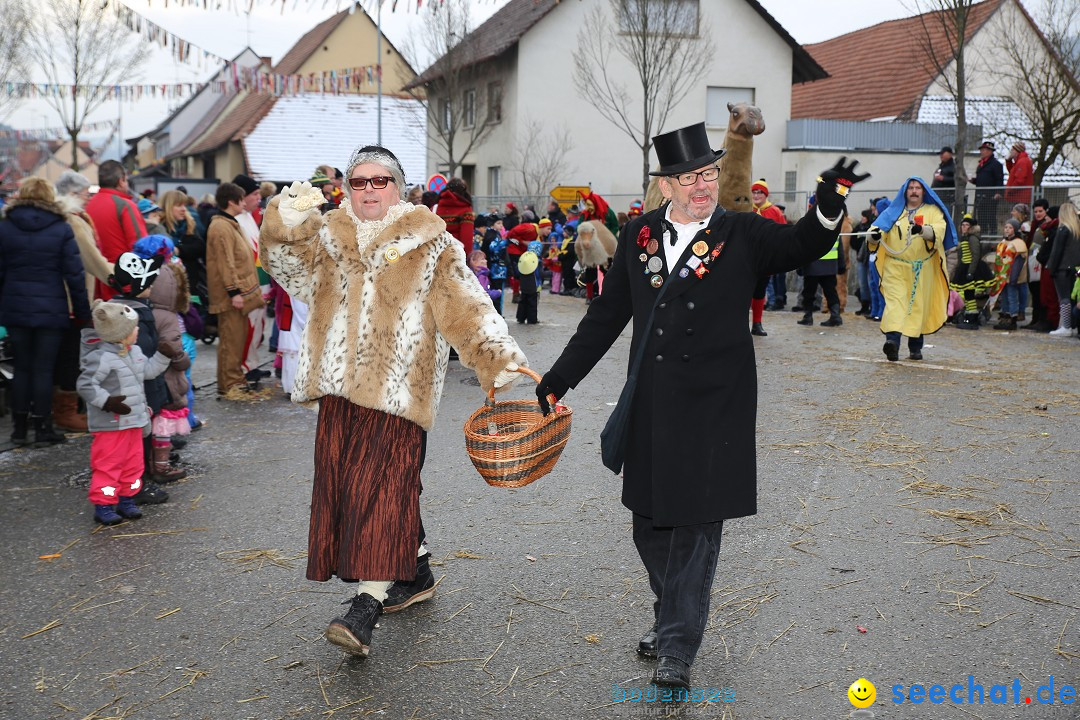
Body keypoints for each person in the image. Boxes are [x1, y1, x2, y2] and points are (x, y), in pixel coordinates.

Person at [535, 122, 868, 690]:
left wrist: (828, 202)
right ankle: (673, 618)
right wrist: (558, 379)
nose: (702, 185)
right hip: (653, 405)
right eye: (690, 177)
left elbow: (802, 245)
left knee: (695, 526)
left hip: (717, 406)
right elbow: (605, 318)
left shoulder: (743, 232)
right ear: (665, 186)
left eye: (709, 174)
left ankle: (677, 645)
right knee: (648, 524)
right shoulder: (638, 236)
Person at [260, 144, 527, 660]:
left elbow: (465, 304)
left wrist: (496, 357)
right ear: (347, 189)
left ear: (399, 187)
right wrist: (288, 224)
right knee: (357, 487)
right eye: (358, 182)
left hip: (399, 391)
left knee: (380, 489)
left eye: (379, 181)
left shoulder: (431, 242)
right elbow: (287, 272)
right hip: (340, 389)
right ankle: (417, 570)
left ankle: (367, 604)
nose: (368, 191)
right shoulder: (328, 236)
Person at [0, 177, 92, 447]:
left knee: (22, 368)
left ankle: (18, 430)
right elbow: (74, 275)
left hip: (15, 308)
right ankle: (42, 428)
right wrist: (83, 311)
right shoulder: (61, 228)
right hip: (51, 308)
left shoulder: (5, 228)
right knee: (43, 369)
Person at [77, 300, 172, 525]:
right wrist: (107, 402)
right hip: (111, 424)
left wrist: (163, 356)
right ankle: (104, 504)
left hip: (135, 421)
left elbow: (148, 372)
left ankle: (126, 499)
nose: (137, 330)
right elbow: (86, 385)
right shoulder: (101, 357)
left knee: (134, 464)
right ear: (120, 333)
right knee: (108, 464)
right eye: (133, 328)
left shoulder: (134, 351)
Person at [868, 178, 955, 361]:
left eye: (918, 188)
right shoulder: (893, 212)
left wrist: (922, 230)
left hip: (921, 269)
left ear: (924, 191)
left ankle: (915, 347)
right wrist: (873, 236)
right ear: (905, 191)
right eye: (911, 188)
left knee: (917, 307)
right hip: (895, 267)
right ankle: (892, 342)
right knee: (895, 304)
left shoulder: (933, 211)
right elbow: (875, 231)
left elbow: (938, 232)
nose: (914, 191)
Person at [54, 170, 113, 432]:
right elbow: (92, 259)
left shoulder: (69, 217)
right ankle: (66, 412)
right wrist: (119, 276)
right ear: (71, 193)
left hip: (64, 297)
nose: (89, 198)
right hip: (71, 299)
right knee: (70, 356)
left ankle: (63, 409)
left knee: (64, 355)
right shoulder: (74, 221)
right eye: (85, 193)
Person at [206, 182, 261, 396]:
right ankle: (230, 384)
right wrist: (233, 291)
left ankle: (233, 379)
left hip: (237, 294)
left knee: (237, 339)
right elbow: (225, 262)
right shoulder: (220, 226)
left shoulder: (229, 223)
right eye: (241, 199)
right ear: (231, 202)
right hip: (231, 297)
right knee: (231, 340)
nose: (244, 203)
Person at [85, 160, 148, 300]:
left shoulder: (88, 206)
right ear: (121, 181)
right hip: (125, 285)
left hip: (97, 284)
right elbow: (141, 247)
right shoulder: (125, 205)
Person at [750, 179, 786, 334]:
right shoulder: (746, 209)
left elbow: (783, 233)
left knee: (760, 291)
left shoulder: (775, 212)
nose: (756, 195)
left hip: (765, 259)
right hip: (746, 259)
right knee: (743, 292)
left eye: (760, 192)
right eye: (754, 192)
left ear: (765, 195)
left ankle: (757, 323)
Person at [950, 214, 993, 329]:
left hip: (971, 267)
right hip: (965, 267)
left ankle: (972, 316)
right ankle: (969, 314)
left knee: (970, 293)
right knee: (968, 293)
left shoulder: (972, 238)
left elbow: (975, 255)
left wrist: (971, 272)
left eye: (967, 225)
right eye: (963, 225)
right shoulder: (965, 237)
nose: (964, 227)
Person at [1046, 202, 1080, 337]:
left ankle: (1065, 326)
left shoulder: (1063, 229)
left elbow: (1057, 251)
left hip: (1062, 268)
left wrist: (1051, 268)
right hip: (1075, 268)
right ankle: (1073, 325)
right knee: (1073, 298)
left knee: (1063, 298)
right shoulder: (1076, 230)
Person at [993, 219, 1028, 330]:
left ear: (1015, 229)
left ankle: (1013, 319)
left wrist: (1013, 276)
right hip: (1003, 276)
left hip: (1012, 276)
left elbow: (1019, 261)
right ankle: (1005, 317)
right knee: (1004, 298)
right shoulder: (1003, 242)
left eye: (1010, 227)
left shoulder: (1018, 243)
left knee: (1012, 297)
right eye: (1006, 227)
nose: (1007, 229)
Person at [435, 177, 475, 260]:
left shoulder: (436, 207)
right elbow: (466, 238)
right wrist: (467, 257)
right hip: (456, 255)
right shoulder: (465, 209)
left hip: (436, 253)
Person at [972, 141, 1004, 235]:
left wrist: (998, 192)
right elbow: (981, 180)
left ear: (990, 151)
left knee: (990, 217)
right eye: (981, 150)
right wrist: (973, 180)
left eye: (984, 150)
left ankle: (992, 236)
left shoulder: (996, 164)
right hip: (980, 196)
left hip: (990, 196)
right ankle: (983, 234)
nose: (982, 152)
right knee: (981, 218)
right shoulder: (981, 164)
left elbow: (999, 179)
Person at [1005, 141, 1034, 206]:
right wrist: (1008, 161)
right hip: (1018, 197)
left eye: (1012, 150)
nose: (1010, 152)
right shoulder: (1019, 161)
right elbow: (1012, 172)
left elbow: (1020, 180)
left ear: (1017, 151)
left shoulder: (1022, 162)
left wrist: (1011, 190)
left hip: (1019, 197)